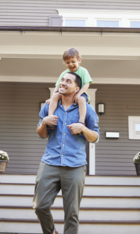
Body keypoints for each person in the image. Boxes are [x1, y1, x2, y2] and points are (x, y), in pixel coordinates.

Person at [35, 72, 100, 234]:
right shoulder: (49, 106)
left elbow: (95, 137)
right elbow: (42, 134)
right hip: (50, 162)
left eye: (68, 81)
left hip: (75, 166)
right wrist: (44, 122)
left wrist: (83, 128)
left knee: (71, 213)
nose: (63, 83)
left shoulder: (87, 110)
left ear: (77, 88)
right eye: (62, 80)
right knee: (40, 206)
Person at [46, 48, 92, 130]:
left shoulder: (83, 71)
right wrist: (52, 97)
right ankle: (51, 118)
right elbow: (57, 86)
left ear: (79, 60)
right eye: (68, 63)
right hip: (66, 93)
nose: (71, 64)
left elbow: (86, 84)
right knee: (55, 96)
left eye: (73, 61)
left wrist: (79, 94)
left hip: (80, 92)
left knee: (81, 99)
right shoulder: (64, 73)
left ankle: (81, 122)